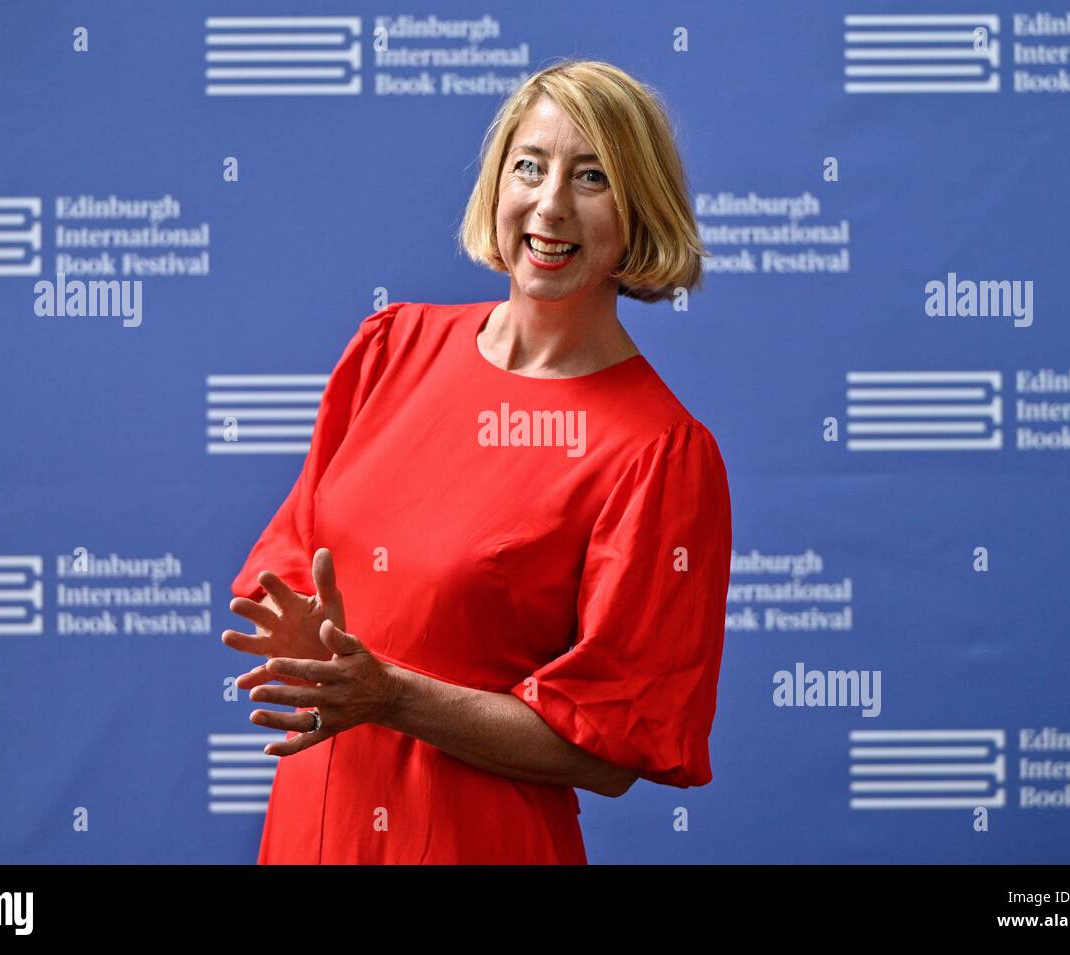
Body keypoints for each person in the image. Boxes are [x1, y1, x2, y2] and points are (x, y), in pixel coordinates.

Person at [223, 58, 733, 864]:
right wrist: (301, 637)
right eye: (529, 166)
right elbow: (289, 569)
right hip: (315, 825)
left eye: (591, 176)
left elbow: (608, 751)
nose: (550, 202)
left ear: (640, 212)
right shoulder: (390, 348)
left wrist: (390, 696)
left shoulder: (659, 454)